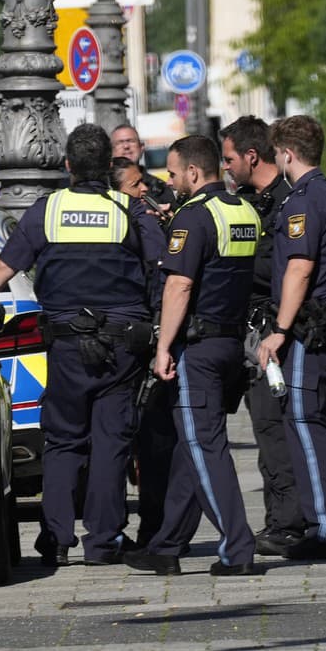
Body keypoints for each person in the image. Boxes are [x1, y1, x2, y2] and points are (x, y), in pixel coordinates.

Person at [0, 123, 162, 567]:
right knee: (112, 442)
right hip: (122, 347)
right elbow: (159, 267)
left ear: (69, 165)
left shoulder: (46, 211)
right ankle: (103, 541)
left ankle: (55, 539)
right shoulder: (127, 211)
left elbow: (4, 265)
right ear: (109, 166)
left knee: (64, 441)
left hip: (68, 346)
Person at [125, 135, 262, 576]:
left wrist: (163, 345)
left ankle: (237, 549)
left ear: (193, 173)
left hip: (197, 348)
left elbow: (180, 284)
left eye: (172, 171)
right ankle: (166, 545)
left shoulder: (194, 216)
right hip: (230, 344)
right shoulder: (243, 211)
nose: (168, 179)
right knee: (192, 445)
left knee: (205, 446)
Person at [256, 115, 326, 560]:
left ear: (287, 154)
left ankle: (324, 531)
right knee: (322, 425)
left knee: (305, 423)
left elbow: (300, 268)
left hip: (307, 330)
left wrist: (279, 330)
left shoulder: (302, 201)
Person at [221, 115, 309, 557]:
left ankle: (288, 524)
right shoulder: (255, 201)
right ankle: (283, 518)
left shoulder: (285, 202)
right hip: (256, 328)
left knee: (273, 429)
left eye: (229, 159)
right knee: (264, 429)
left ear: (251, 157)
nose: (226, 168)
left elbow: (280, 270)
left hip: (272, 331)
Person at [109, 156, 172, 547]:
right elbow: (162, 264)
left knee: (143, 438)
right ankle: (139, 527)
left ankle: (146, 526)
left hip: (139, 335)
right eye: (136, 185)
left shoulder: (142, 214)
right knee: (137, 436)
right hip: (137, 338)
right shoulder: (132, 218)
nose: (145, 188)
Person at [112, 123, 177, 211]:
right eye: (120, 142)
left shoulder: (159, 187)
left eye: (131, 141)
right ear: (111, 150)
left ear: (141, 147)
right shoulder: (102, 187)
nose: (126, 146)